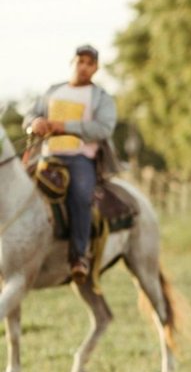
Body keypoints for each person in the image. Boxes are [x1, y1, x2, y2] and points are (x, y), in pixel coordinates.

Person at [24, 44, 123, 283]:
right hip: (46, 156)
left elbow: (103, 128)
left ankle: (79, 256)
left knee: (80, 195)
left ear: (96, 68)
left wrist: (64, 126)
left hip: (80, 158)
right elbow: (29, 115)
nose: (84, 67)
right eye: (81, 62)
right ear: (72, 63)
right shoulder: (53, 91)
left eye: (90, 63)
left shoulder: (100, 98)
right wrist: (34, 122)